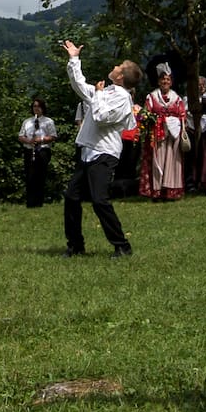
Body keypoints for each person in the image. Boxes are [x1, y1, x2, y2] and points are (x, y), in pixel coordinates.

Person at [60, 40, 138, 257]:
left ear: (121, 76)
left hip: (104, 153)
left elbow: (102, 117)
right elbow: (80, 86)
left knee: (99, 200)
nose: (114, 67)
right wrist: (74, 59)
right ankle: (75, 245)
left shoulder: (122, 98)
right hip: (88, 151)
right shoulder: (106, 90)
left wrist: (99, 95)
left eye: (118, 66)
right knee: (72, 197)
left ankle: (122, 246)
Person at [139, 64, 188, 201]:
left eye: (167, 79)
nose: (165, 82)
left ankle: (171, 190)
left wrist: (178, 124)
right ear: (158, 81)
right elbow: (146, 113)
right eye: (162, 79)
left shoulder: (176, 98)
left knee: (173, 162)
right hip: (158, 135)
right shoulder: (152, 97)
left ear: (171, 82)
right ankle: (157, 191)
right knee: (158, 162)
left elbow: (182, 114)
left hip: (173, 135)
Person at [17, 99, 58, 208]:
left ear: (43, 108)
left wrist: (42, 139)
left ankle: (39, 202)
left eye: (38, 106)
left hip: (43, 150)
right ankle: (30, 203)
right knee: (29, 176)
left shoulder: (48, 121)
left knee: (40, 176)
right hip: (29, 150)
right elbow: (20, 136)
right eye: (34, 106)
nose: (36, 108)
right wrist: (29, 141)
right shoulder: (27, 121)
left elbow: (53, 136)